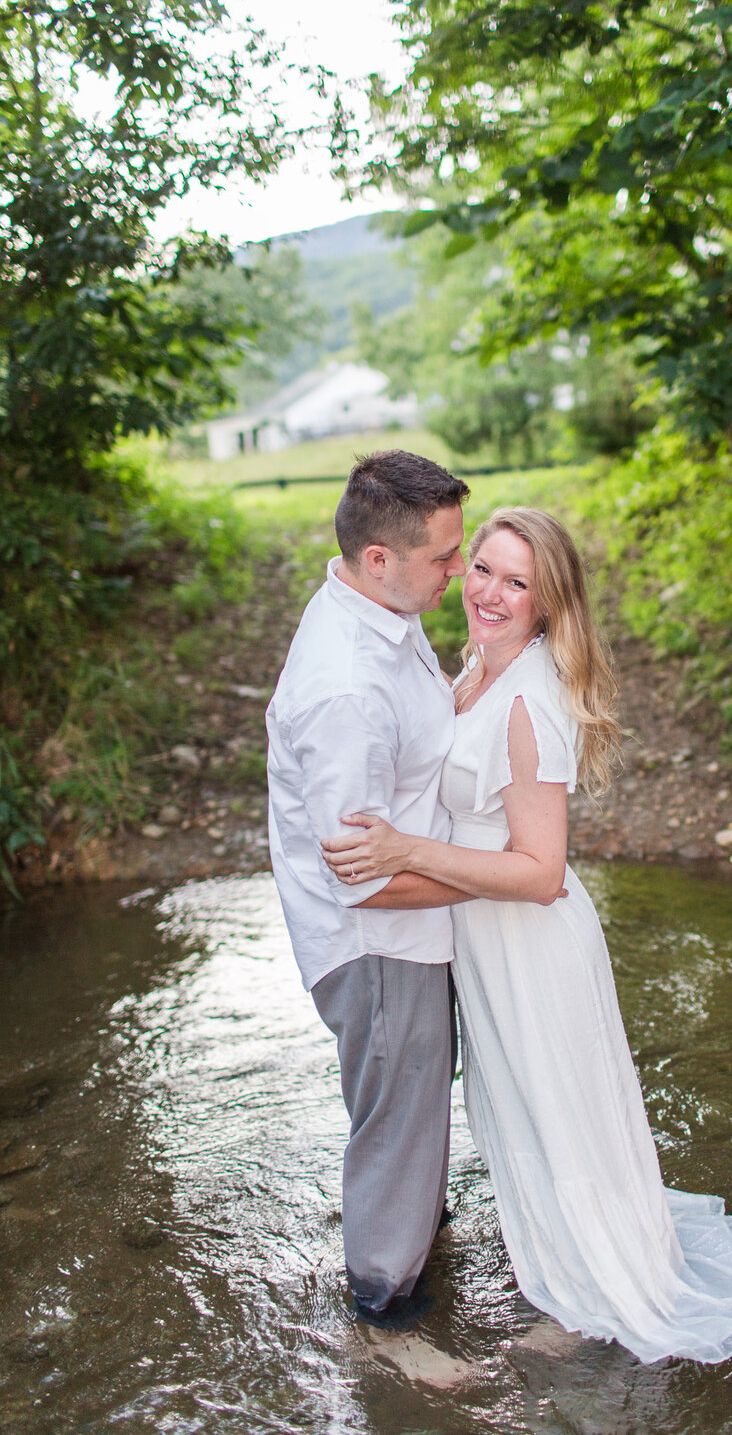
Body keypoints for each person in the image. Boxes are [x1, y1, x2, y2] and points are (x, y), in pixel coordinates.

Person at [322, 506, 732, 1364]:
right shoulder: (479, 669)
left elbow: (540, 871)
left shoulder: (532, 702)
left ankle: (596, 1293)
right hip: (487, 946)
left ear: (548, 603)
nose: (490, 593)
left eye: (517, 582)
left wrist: (408, 850)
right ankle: (571, 1267)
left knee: (560, 1114)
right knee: (529, 1112)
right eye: (483, 570)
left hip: (532, 947)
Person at [266, 449, 486, 1331]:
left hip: (411, 936)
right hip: (378, 948)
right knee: (396, 1118)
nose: (459, 572)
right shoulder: (345, 689)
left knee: (410, 1101)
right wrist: (497, 887)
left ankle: (415, 1231)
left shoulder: (382, 616)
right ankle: (385, 1314)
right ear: (379, 560)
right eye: (444, 557)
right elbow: (363, 886)